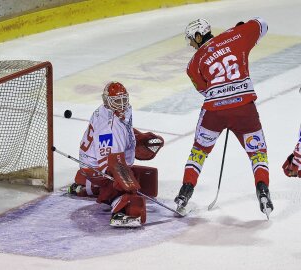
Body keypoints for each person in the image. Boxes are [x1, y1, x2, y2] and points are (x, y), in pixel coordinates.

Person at [174, 17, 273, 216]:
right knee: (257, 153)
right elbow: (263, 23)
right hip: (245, 110)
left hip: (215, 112)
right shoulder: (236, 35)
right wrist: (243, 29)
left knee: (199, 152)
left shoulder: (193, 64)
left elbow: (204, 89)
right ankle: (262, 189)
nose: (191, 45)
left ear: (199, 35)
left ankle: (185, 191)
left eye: (191, 40)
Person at [67, 81, 164, 227]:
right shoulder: (109, 127)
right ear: (106, 101)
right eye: (117, 101)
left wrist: (138, 138)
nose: (122, 104)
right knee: (124, 189)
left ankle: (84, 186)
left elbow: (123, 131)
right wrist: (128, 187)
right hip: (96, 166)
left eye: (124, 99)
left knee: (131, 179)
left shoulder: (112, 112)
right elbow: (111, 164)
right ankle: (120, 212)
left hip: (94, 157)